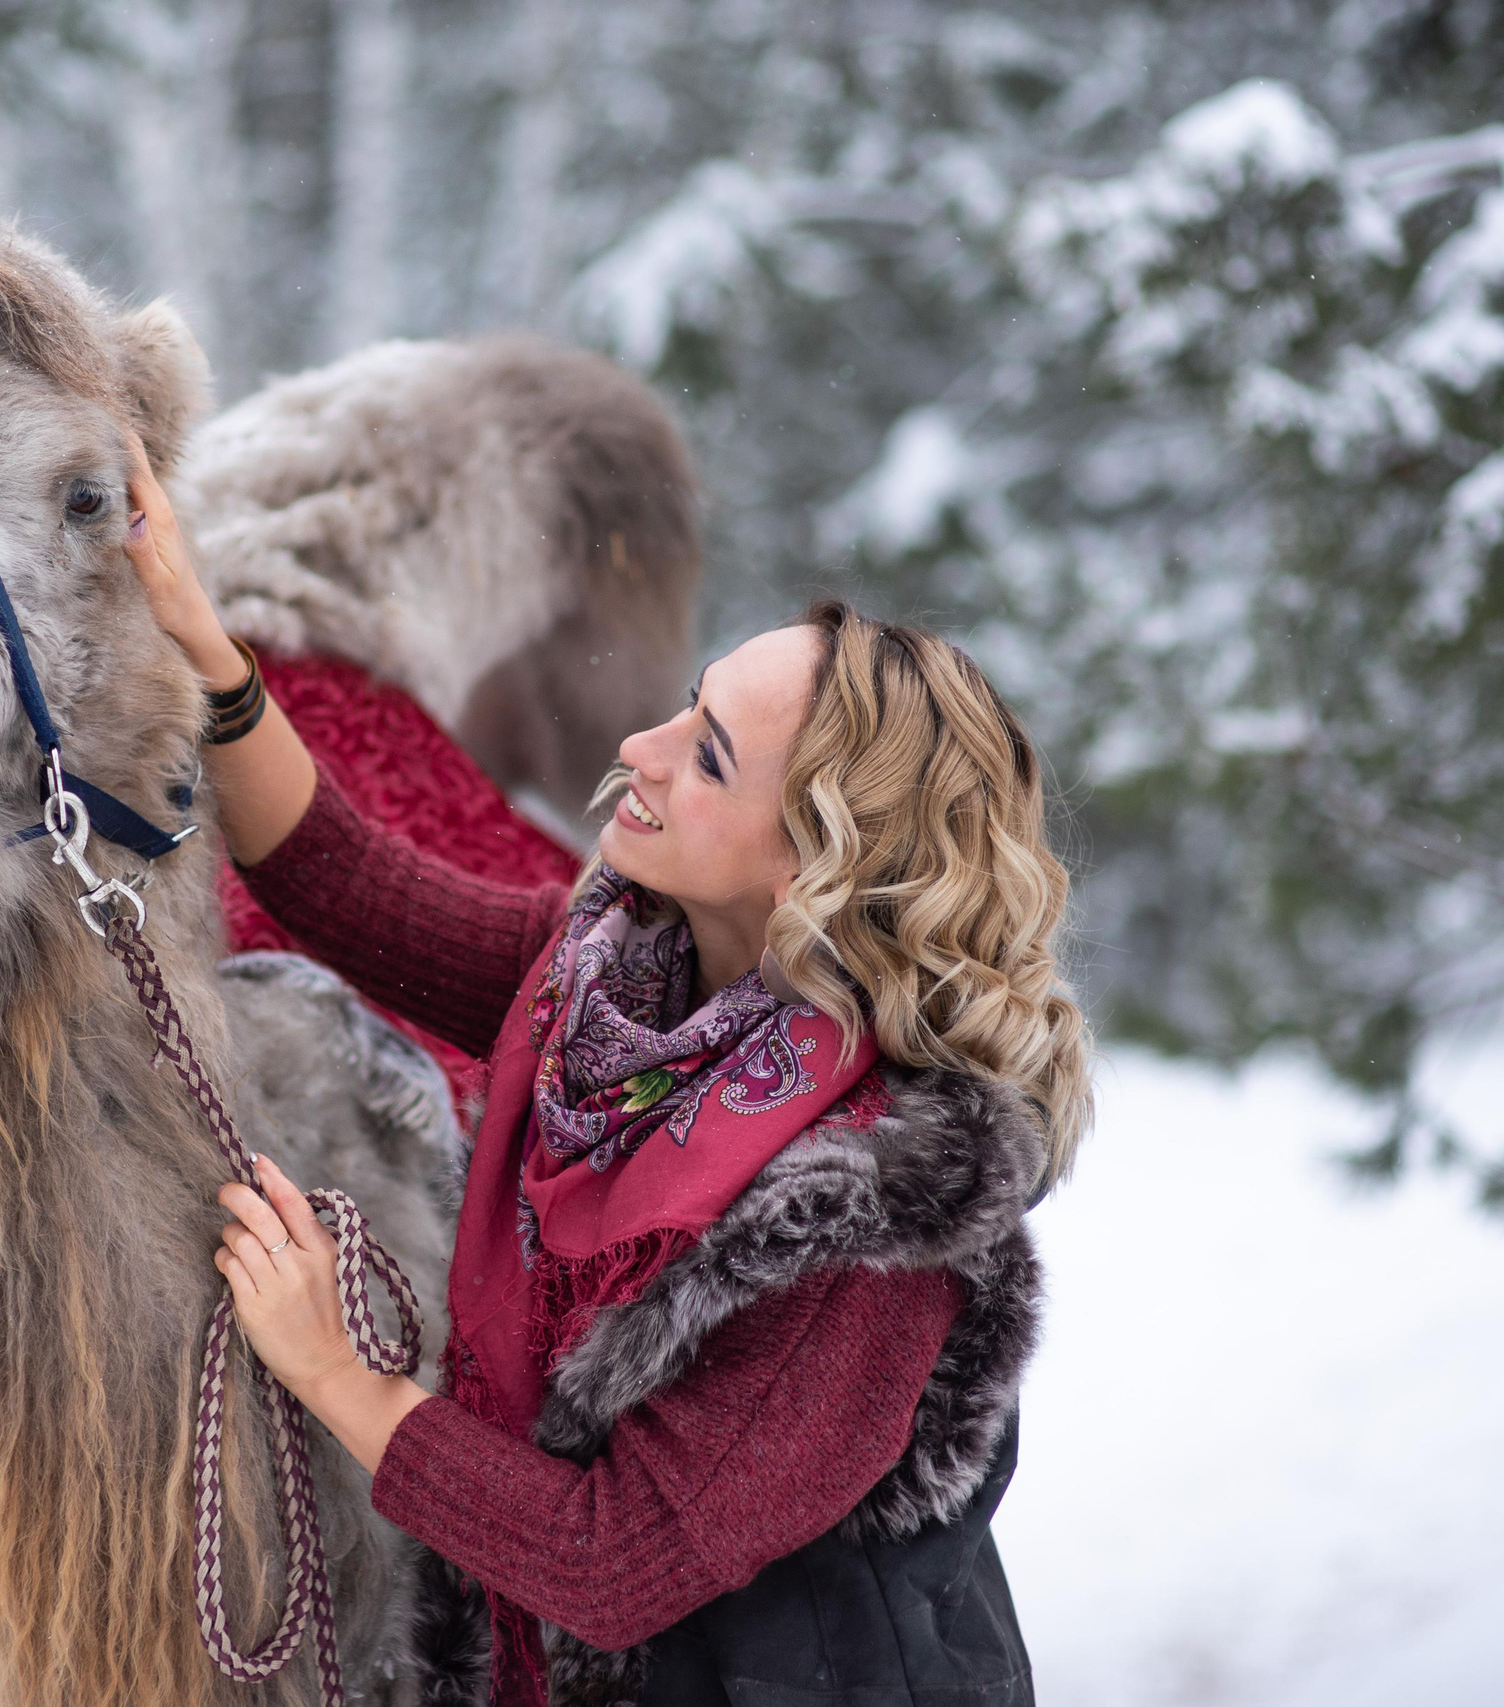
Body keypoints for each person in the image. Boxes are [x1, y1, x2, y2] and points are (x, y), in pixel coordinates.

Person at [122, 440, 1088, 1707]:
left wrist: (332, 1373)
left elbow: (613, 1560)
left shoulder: (872, 1219)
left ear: (818, 865)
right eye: (689, 704)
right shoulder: (612, 983)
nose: (642, 743)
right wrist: (199, 642)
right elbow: (345, 884)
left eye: (710, 756)